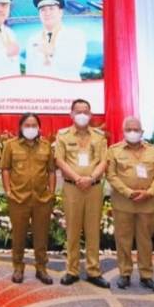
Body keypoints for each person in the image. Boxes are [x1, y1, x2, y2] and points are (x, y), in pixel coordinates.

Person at [54, 99, 109, 288]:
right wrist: (78, 178)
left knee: (93, 230)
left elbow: (104, 161)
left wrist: (91, 178)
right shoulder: (63, 135)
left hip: (94, 187)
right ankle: (72, 270)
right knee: (73, 230)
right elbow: (59, 160)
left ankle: (94, 270)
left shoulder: (99, 136)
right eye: (78, 111)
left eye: (86, 111)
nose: (82, 115)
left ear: (91, 114)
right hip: (72, 187)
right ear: (71, 114)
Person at [105, 116, 154, 292]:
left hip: (147, 203)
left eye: (136, 129)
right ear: (123, 132)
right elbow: (111, 175)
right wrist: (128, 192)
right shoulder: (114, 150)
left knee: (145, 241)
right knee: (123, 240)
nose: (133, 132)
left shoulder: (152, 151)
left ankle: (146, 275)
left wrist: (150, 192)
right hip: (123, 203)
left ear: (142, 131)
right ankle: (125, 273)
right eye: (129, 129)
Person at [0, 112, 56, 285]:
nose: (30, 128)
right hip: (18, 198)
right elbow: (5, 169)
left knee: (41, 235)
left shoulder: (46, 146)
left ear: (39, 128)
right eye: (27, 125)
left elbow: (51, 171)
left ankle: (41, 268)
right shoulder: (11, 145)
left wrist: (51, 192)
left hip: (41, 199)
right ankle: (18, 267)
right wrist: (8, 191)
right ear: (21, 127)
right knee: (19, 235)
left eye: (34, 125)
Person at [25, 0, 87, 81]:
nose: (47, 13)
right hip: (41, 89)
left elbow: (75, 65)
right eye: (43, 10)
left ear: (61, 12)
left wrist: (53, 53)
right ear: (39, 14)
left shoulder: (75, 36)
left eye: (51, 8)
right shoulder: (33, 40)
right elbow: (29, 73)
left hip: (68, 88)